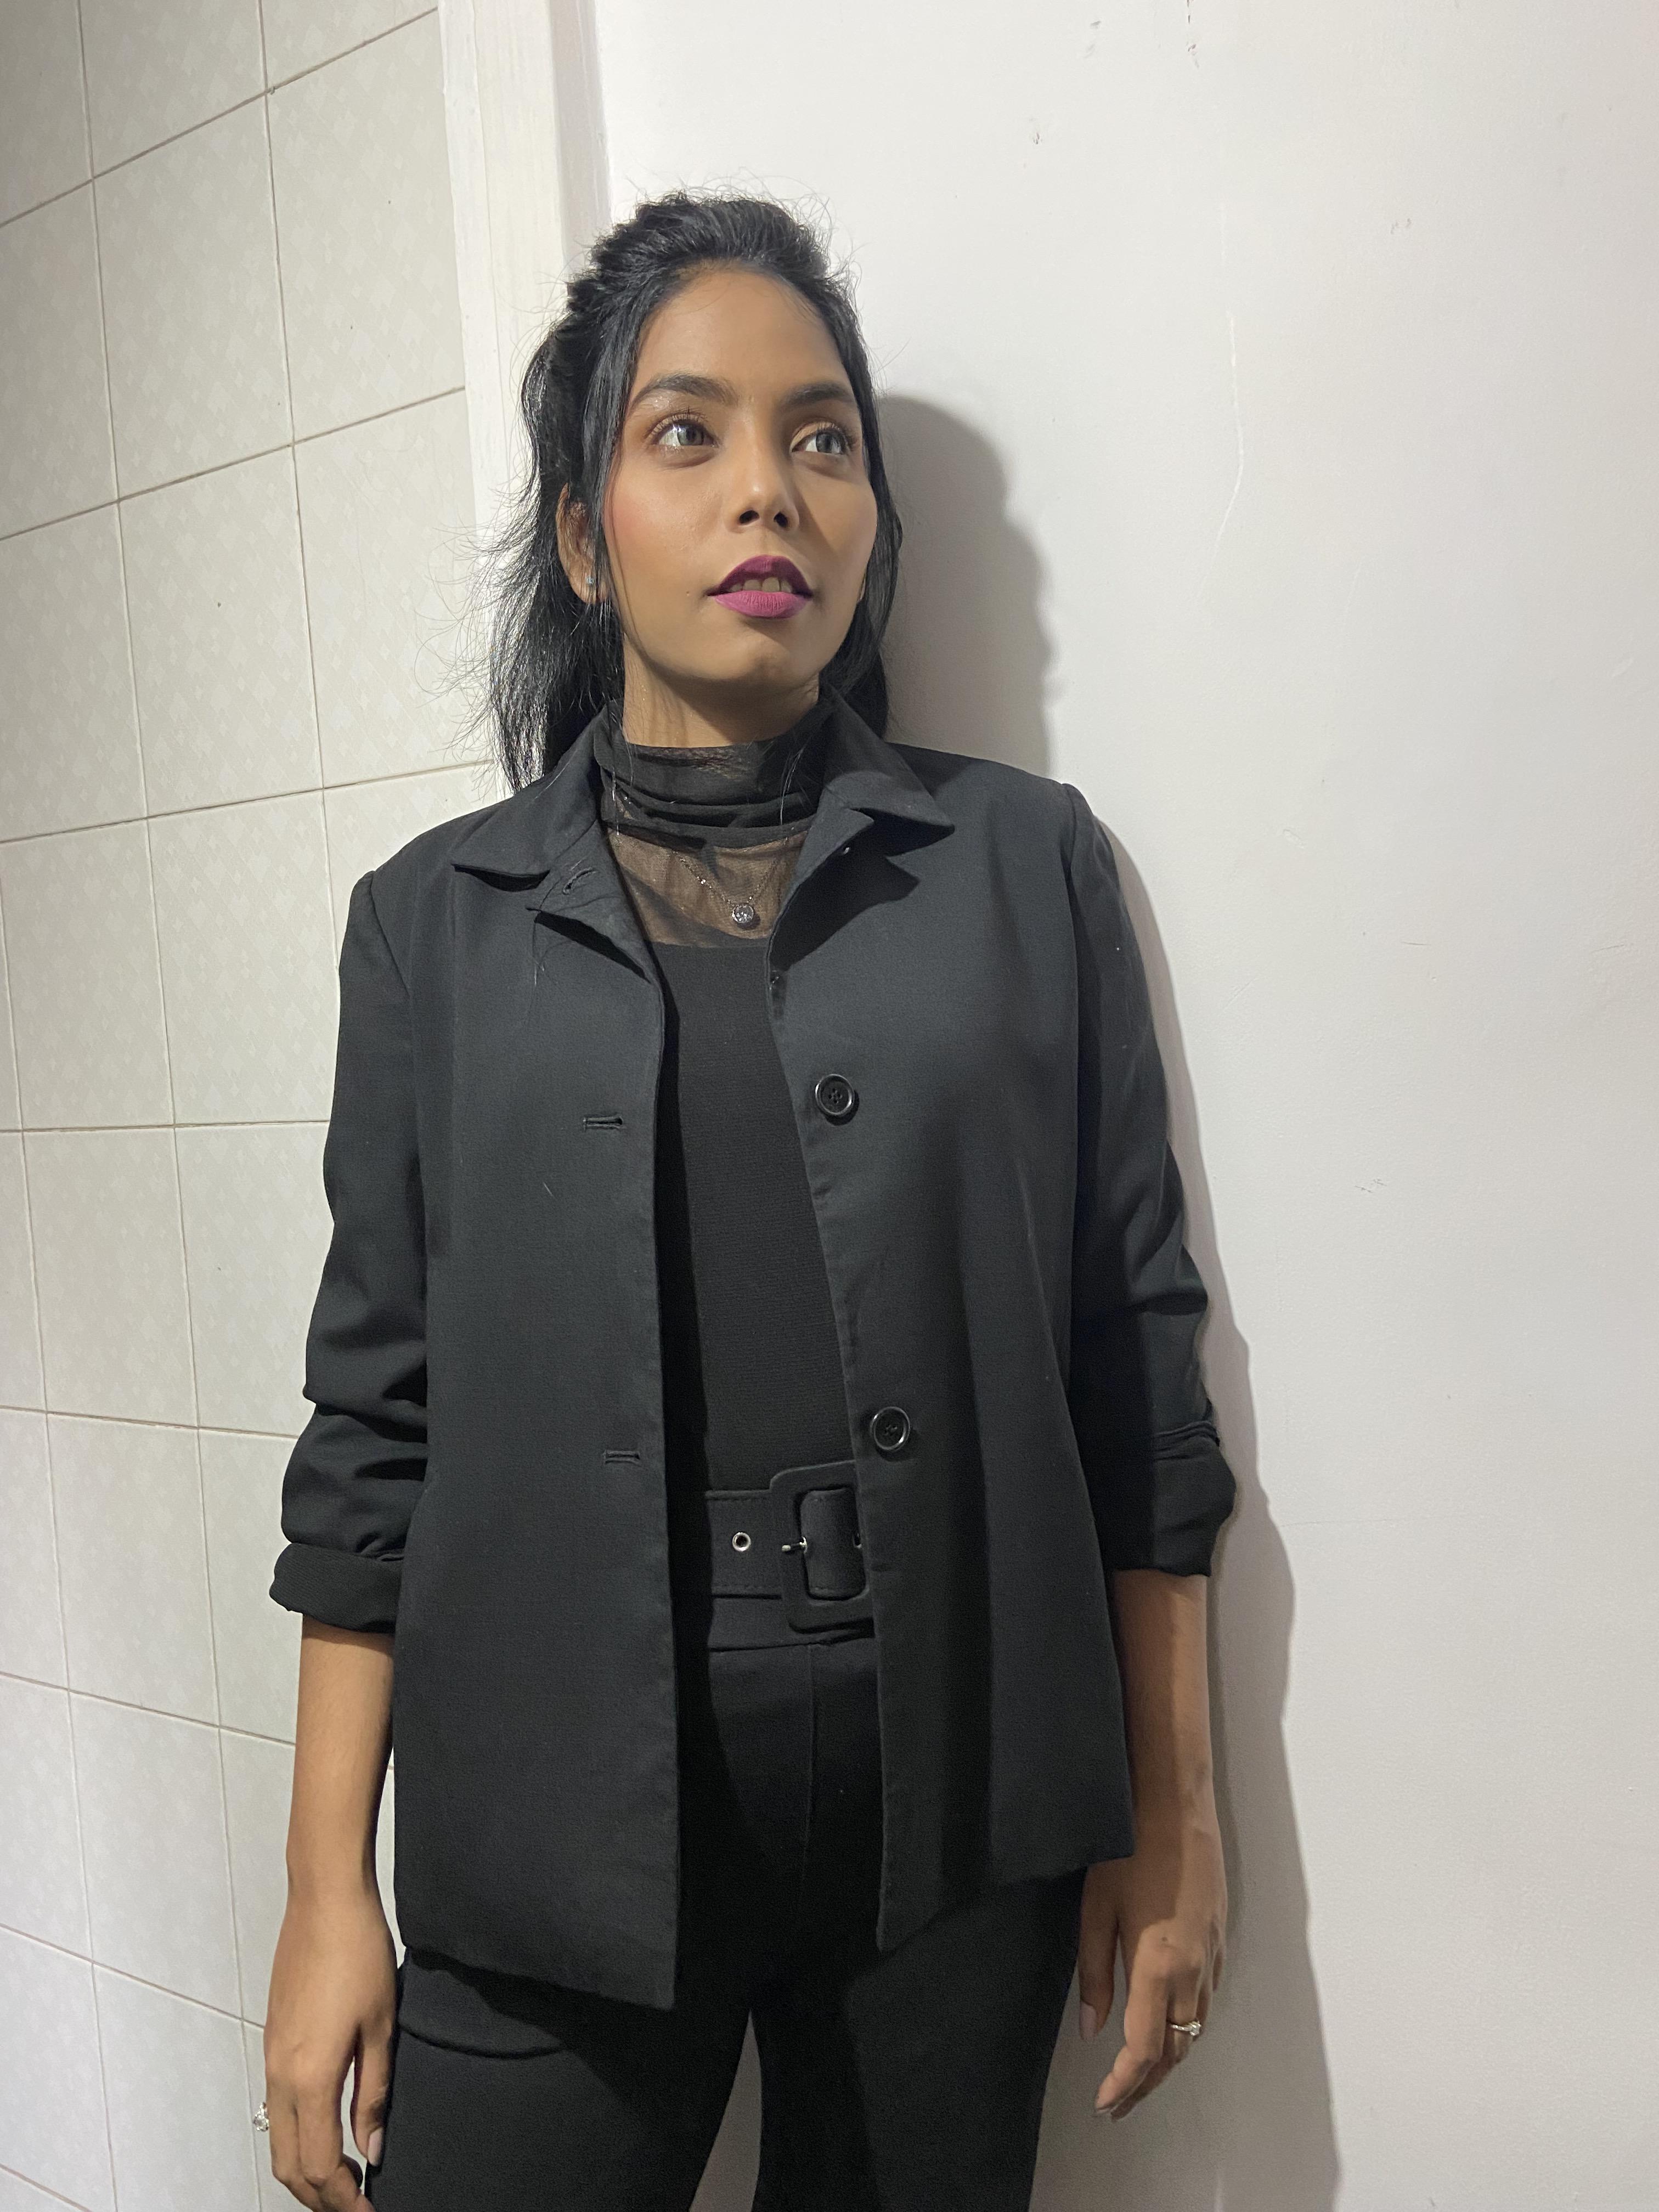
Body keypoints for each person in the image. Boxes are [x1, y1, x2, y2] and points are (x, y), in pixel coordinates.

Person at [258, 189, 1238, 2212]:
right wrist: (324, 1891)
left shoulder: (1027, 871)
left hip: (955, 1810)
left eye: (821, 438)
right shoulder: (433, 930)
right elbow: (373, 1435)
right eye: (685, 433)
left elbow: (1134, 1364)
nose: (766, 490)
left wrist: (1179, 1809)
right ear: (581, 530)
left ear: (868, 520)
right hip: (549, 1807)